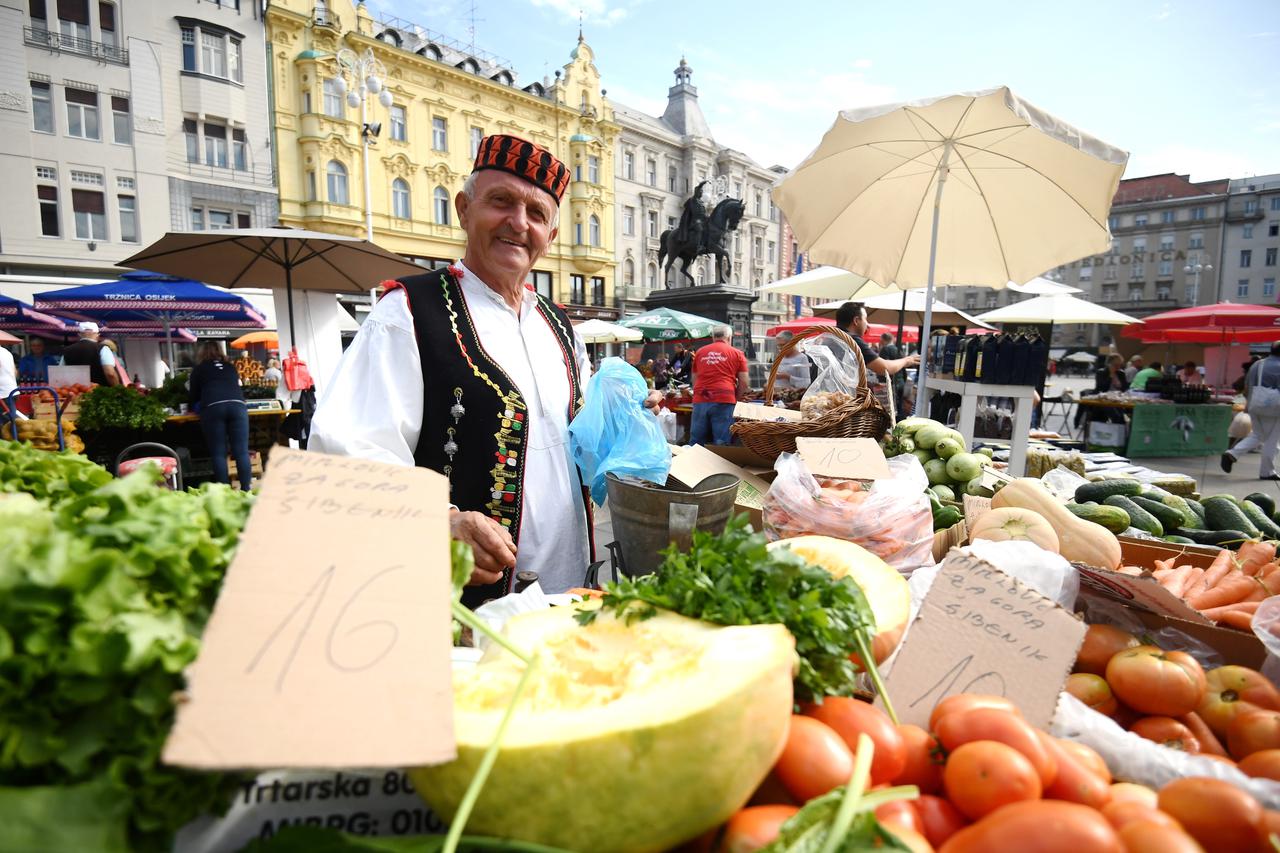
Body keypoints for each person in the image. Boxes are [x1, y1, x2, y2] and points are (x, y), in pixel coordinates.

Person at [311, 134, 658, 602]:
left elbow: (575, 439)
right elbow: (347, 452)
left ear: (550, 237)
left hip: (568, 585)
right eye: (501, 202)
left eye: (537, 214)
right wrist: (440, 522)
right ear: (464, 209)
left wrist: (627, 421)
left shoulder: (557, 324)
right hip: (463, 607)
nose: (518, 223)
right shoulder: (409, 312)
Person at [188, 342, 252, 491]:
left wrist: (198, 408)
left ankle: (225, 492)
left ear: (201, 353)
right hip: (238, 406)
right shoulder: (230, 367)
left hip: (213, 407)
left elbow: (193, 397)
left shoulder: (198, 370)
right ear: (220, 351)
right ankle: (246, 490)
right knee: (241, 451)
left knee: (218, 453)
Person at [1222, 341, 1280, 480]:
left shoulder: (1258, 365)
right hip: (1275, 408)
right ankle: (1267, 472)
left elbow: (1247, 387)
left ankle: (1233, 453)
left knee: (1258, 435)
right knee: (1273, 439)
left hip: (1255, 405)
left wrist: (1249, 405)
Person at [690, 325, 747, 446]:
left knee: (696, 440)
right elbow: (744, 381)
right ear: (729, 337)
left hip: (701, 398)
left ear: (713, 337)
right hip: (725, 398)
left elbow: (695, 378)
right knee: (722, 441)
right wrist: (736, 398)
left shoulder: (700, 352)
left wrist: (699, 393)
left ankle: (692, 463)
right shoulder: (737, 353)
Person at [835, 302, 920, 382]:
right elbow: (885, 368)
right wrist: (907, 360)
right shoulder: (852, 340)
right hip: (841, 394)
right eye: (865, 319)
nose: (867, 324)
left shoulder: (830, 336)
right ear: (856, 321)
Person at [60, 322, 120, 386]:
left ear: (79, 334)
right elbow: (110, 373)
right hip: (99, 392)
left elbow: (60, 373)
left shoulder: (67, 350)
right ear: (97, 334)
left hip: (75, 392)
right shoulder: (103, 349)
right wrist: (117, 389)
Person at [675, 181, 708, 251]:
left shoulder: (701, 202)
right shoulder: (692, 200)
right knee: (700, 229)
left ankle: (706, 244)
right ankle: (699, 246)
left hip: (701, 221)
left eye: (702, 192)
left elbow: (703, 213)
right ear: (697, 192)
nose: (702, 193)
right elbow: (694, 212)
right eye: (700, 192)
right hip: (694, 221)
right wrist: (702, 184)